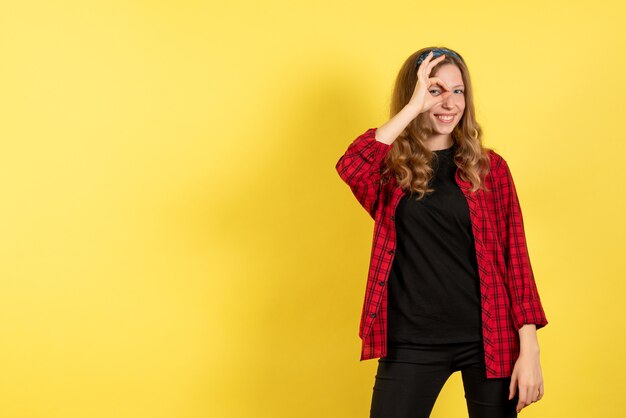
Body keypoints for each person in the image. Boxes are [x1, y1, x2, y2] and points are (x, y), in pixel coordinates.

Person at [335, 47, 549, 418]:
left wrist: (529, 350)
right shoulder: (390, 172)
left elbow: (516, 259)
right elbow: (351, 165)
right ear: (415, 96)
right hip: (412, 339)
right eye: (435, 91)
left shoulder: (489, 168)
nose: (449, 103)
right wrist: (413, 106)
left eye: (458, 91)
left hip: (488, 337)